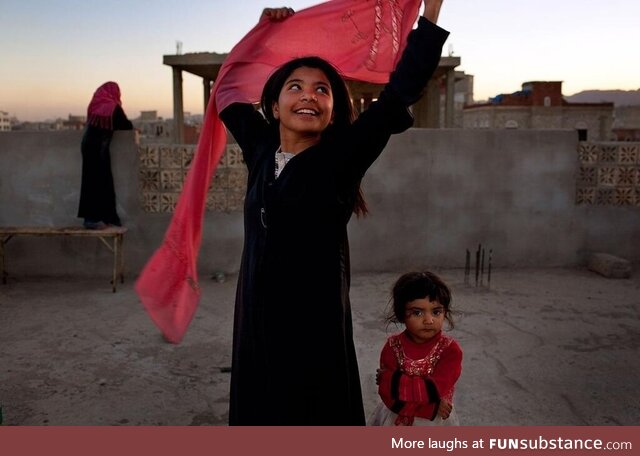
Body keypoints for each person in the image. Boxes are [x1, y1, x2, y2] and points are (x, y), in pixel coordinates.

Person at [218, 0, 449, 425]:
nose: (309, 95)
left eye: (321, 90)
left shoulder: (341, 158)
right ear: (273, 106)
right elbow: (228, 93)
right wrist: (263, 31)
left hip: (311, 326)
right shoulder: (261, 148)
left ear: (331, 111)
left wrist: (429, 17)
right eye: (296, 86)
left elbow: (400, 91)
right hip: (255, 317)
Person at [369, 271, 462, 426]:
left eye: (436, 311)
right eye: (417, 312)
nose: (429, 320)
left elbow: (435, 389)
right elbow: (388, 395)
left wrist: (393, 381)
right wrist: (428, 408)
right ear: (401, 314)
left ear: (445, 312)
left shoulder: (450, 351)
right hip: (400, 417)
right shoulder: (392, 347)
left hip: (436, 424)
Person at [78, 81, 133, 229]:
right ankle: (96, 219)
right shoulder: (113, 108)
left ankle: (101, 217)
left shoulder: (95, 106)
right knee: (101, 182)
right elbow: (126, 126)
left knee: (91, 181)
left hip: (88, 146)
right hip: (99, 148)